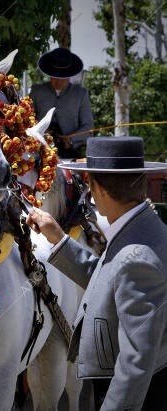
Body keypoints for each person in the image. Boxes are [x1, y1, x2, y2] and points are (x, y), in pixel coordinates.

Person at [26, 136, 167, 411]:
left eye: (88, 186)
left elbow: (135, 362)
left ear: (98, 189)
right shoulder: (144, 230)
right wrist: (60, 240)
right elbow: (109, 280)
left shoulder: (135, 257)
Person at [30, 47, 94, 158]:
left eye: (62, 77)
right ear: (49, 74)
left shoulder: (81, 94)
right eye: (55, 77)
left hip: (69, 152)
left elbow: (88, 128)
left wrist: (71, 138)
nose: (58, 81)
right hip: (38, 150)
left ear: (69, 75)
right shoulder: (36, 91)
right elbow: (27, 120)